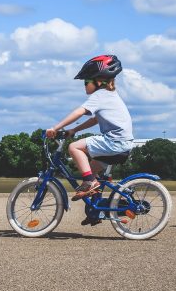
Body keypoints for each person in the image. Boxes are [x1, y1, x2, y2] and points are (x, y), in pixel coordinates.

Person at [46, 54, 134, 202]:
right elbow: (95, 119)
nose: (84, 85)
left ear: (99, 81)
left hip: (114, 142)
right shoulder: (110, 95)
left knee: (74, 147)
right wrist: (74, 130)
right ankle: (96, 210)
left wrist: (55, 127)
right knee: (90, 171)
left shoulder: (100, 95)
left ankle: (90, 183)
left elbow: (79, 112)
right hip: (122, 144)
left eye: (86, 81)